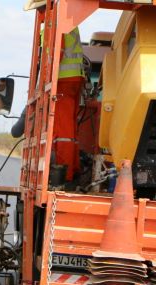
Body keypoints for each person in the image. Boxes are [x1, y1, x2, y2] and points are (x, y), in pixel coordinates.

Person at [53, 26, 85, 183]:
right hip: (73, 79)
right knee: (70, 131)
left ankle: (65, 174)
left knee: (63, 133)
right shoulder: (72, 22)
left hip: (63, 80)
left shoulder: (58, 18)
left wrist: (45, 83)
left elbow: (56, 53)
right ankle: (74, 167)